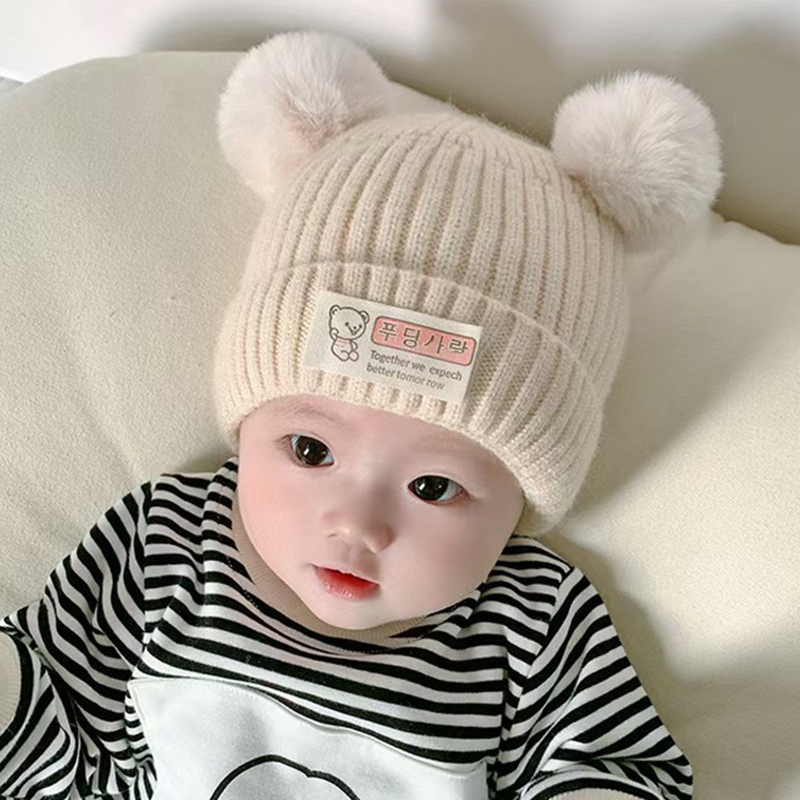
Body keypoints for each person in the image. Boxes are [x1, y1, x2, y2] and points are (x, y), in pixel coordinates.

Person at [0, 29, 722, 800]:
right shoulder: (165, 541)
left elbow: (621, 771)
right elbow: (48, 727)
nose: (357, 524)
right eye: (310, 450)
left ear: (520, 501)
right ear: (246, 427)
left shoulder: (532, 623)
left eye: (434, 488)